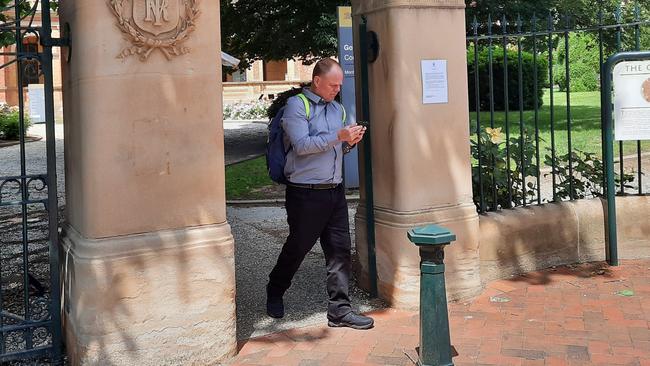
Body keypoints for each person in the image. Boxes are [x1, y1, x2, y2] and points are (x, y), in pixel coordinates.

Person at [266, 58, 374, 330]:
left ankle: (340, 310)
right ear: (317, 81)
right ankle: (275, 290)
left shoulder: (337, 108)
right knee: (297, 248)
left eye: (339, 85)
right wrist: (338, 136)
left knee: (339, 251)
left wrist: (349, 142)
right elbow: (302, 146)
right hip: (305, 193)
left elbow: (335, 149)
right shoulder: (296, 106)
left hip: (333, 191)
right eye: (332, 84)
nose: (337, 89)